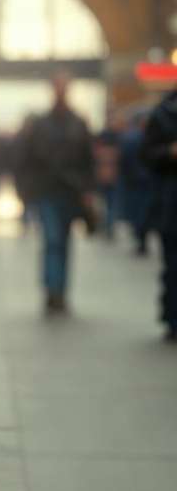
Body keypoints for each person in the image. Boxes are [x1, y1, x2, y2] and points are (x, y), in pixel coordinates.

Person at [20, 74, 95, 316]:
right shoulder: (40, 123)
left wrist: (87, 191)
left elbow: (87, 160)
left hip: (71, 192)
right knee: (52, 240)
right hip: (47, 190)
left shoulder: (78, 123)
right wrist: (27, 191)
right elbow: (27, 159)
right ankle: (53, 291)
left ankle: (60, 290)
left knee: (63, 243)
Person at [140, 93, 177, 342]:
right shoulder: (164, 112)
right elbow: (147, 155)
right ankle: (173, 318)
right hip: (171, 200)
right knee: (173, 264)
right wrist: (168, 153)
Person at [119, 112, 157, 256]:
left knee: (138, 211)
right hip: (146, 181)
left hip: (135, 181)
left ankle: (140, 237)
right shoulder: (148, 137)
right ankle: (142, 238)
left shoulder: (130, 138)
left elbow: (124, 161)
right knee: (143, 210)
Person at [93, 112, 125, 241]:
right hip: (109, 175)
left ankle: (107, 225)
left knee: (108, 203)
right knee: (108, 203)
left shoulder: (114, 137)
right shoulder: (118, 137)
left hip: (108, 175)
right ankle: (107, 225)